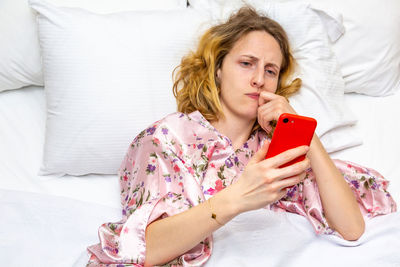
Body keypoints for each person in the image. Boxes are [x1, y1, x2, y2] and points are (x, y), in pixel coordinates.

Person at [86, 6, 397, 267]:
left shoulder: (274, 149)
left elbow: (352, 228)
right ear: (218, 68)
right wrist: (239, 198)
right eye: (246, 64)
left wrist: (305, 132)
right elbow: (142, 247)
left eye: (271, 70)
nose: (259, 79)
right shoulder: (166, 138)